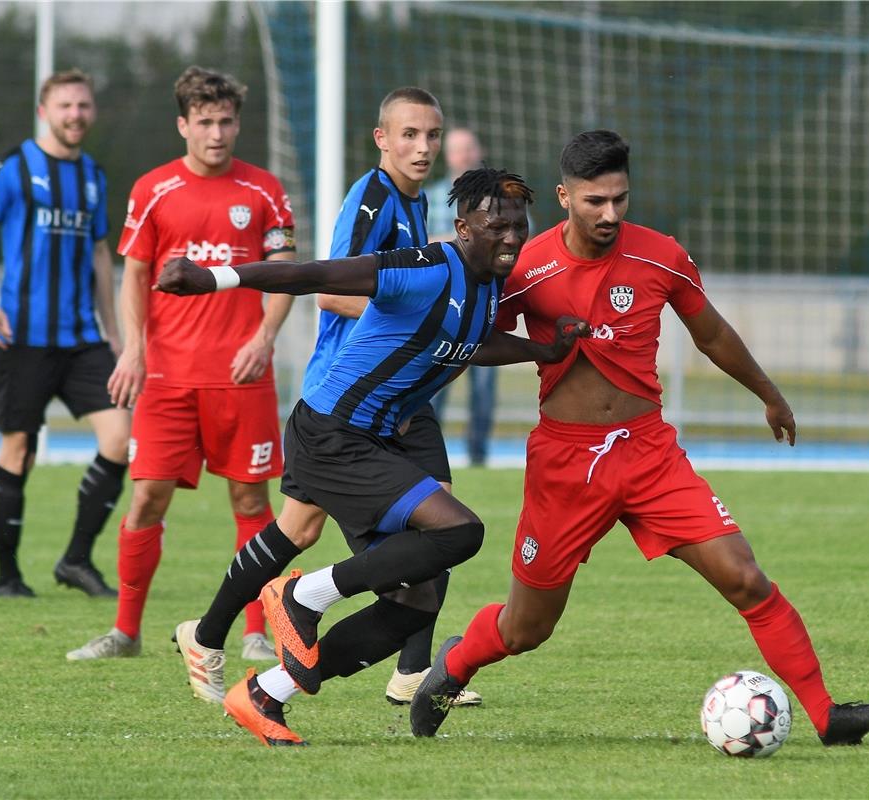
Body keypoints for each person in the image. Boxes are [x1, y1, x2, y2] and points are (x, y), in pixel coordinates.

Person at [410, 130, 869, 747]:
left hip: (648, 454)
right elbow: (472, 339)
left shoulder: (660, 255)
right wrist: (539, 349)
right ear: (564, 197)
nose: (610, 213)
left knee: (745, 576)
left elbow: (712, 333)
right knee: (527, 628)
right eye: (595, 202)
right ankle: (452, 666)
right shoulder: (526, 267)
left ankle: (828, 717)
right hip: (565, 463)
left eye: (620, 199)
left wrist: (770, 394)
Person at [157, 167, 588, 746]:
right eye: (496, 225)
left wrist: (544, 349)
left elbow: (473, 340)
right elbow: (313, 275)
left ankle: (264, 696)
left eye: (518, 225)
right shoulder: (426, 266)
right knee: (460, 532)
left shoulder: (488, 285)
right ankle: (299, 596)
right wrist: (214, 278)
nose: (511, 236)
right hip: (333, 434)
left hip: (371, 442)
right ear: (462, 227)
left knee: (416, 600)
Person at [172, 87, 479, 708]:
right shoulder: (372, 198)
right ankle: (221, 636)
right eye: (409, 135)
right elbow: (332, 287)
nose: (422, 147)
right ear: (382, 139)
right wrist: (423, 323)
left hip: (392, 396)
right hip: (351, 399)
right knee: (418, 528)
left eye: (431, 136)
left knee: (308, 529)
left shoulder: (416, 205)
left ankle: (207, 636)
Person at [66, 66, 296, 661]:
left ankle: (254, 634)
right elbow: (134, 275)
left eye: (225, 122)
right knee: (146, 498)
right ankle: (125, 633)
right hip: (169, 377)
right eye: (204, 123)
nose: (216, 134)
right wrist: (136, 350)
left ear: (237, 123)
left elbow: (285, 276)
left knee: (250, 503)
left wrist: (264, 337)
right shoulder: (153, 189)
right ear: (183, 125)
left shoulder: (265, 190)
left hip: (241, 375)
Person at [0, 68, 129, 599]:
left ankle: (76, 560)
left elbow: (102, 255)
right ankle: (7, 578)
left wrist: (115, 333)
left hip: (82, 339)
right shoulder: (11, 167)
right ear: (44, 111)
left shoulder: (93, 176)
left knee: (120, 440)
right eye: (65, 106)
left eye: (83, 106)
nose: (75, 115)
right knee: (19, 451)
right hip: (22, 337)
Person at [426, 128, 497, 466]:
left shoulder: (504, 197)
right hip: (442, 310)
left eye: (469, 148)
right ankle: (428, 453)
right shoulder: (431, 196)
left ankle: (478, 456)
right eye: (456, 150)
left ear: (479, 150)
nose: (463, 156)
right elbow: (419, 245)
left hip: (487, 307)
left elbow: (520, 239)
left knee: (483, 389)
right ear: (448, 155)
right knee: (433, 385)